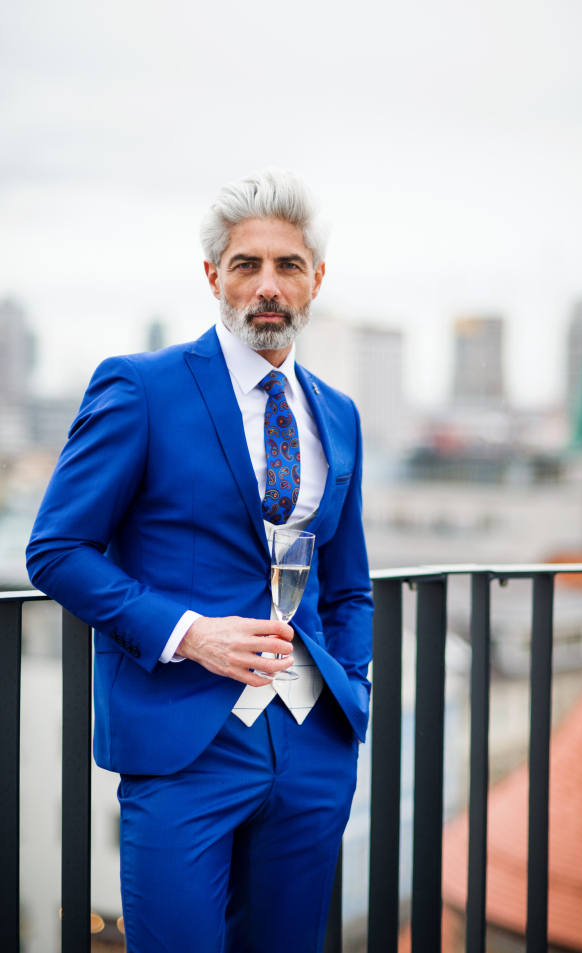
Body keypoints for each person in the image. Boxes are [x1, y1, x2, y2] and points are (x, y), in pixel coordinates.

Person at [26, 168, 373, 953]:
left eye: (287, 265)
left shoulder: (339, 414)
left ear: (316, 279)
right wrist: (190, 632)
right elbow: (55, 549)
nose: (268, 286)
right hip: (184, 742)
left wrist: (355, 685)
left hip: (313, 741)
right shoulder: (141, 387)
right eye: (246, 264)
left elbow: (349, 584)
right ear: (214, 276)